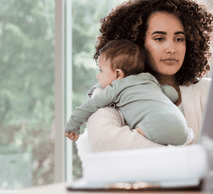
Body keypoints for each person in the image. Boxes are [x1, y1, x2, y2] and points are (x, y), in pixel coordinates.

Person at [76, 0, 213, 155]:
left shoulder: (208, 90)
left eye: (179, 39)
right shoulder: (109, 89)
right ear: (137, 43)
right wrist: (188, 157)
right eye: (159, 38)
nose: (171, 48)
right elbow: (103, 142)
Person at [64, 39, 193, 146]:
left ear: (118, 74)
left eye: (101, 70)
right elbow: (173, 94)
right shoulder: (150, 80)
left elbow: (90, 105)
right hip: (182, 130)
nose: (98, 76)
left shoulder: (115, 87)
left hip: (153, 129)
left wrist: (73, 125)